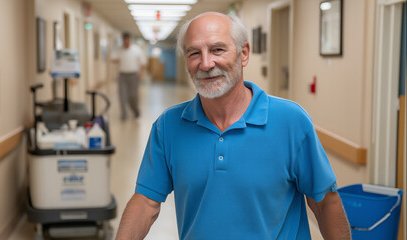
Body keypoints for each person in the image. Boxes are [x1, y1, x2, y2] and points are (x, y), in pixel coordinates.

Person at [115, 12, 351, 240]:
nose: (206, 63)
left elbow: (325, 203)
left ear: (244, 53)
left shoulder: (291, 121)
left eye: (217, 49)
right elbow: (146, 203)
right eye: (194, 53)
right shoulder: (168, 126)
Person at [112, 32, 146, 120]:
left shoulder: (136, 50)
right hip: (122, 75)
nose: (126, 41)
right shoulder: (119, 50)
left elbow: (142, 63)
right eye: (125, 40)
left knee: (133, 96)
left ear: (130, 40)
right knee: (122, 95)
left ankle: (135, 110)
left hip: (133, 75)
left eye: (128, 40)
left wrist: (141, 74)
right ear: (123, 40)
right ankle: (124, 115)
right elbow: (113, 59)